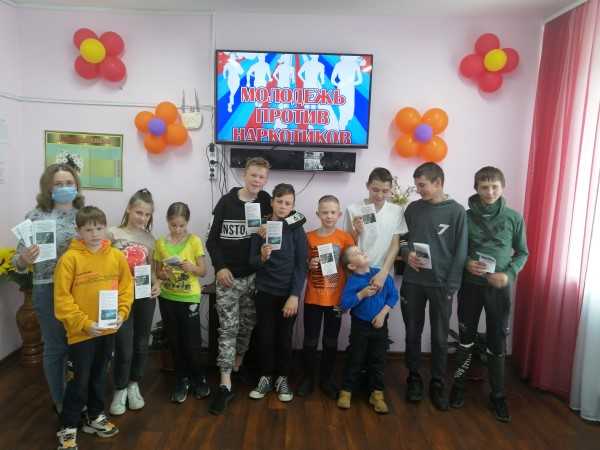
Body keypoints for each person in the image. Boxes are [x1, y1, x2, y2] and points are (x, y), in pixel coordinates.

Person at [449, 167, 528, 422]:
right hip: (471, 286)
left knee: (497, 342)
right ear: (476, 189)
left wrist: (509, 275)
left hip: (499, 289)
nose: (490, 192)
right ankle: (458, 387)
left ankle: (498, 396)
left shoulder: (514, 218)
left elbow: (523, 253)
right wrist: (466, 263)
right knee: (465, 338)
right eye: (484, 187)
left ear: (502, 187)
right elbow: (455, 249)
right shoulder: (464, 217)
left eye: (495, 187)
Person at [54, 206, 133, 450]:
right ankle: (68, 427)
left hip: (107, 331)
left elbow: (126, 288)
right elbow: (62, 300)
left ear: (105, 228)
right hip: (81, 334)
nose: (95, 234)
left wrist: (122, 313)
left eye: (99, 228)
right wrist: (85, 324)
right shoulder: (70, 259)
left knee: (99, 376)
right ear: (78, 231)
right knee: (79, 380)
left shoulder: (116, 256)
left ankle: (95, 415)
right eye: (88, 230)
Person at [12, 162, 84, 414]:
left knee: (81, 346)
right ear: (48, 188)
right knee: (55, 348)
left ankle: (81, 397)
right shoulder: (34, 216)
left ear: (76, 186)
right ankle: (61, 400)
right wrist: (24, 259)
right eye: (58, 184)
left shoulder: (84, 215)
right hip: (47, 288)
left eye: (69, 183)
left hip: (80, 288)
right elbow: (17, 261)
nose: (64, 187)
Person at [206, 157, 272, 415]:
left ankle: (236, 366)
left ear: (265, 180)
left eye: (262, 177)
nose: (257, 180)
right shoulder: (226, 201)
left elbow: (293, 218)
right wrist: (220, 267)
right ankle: (224, 383)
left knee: (247, 326)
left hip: (254, 278)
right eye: (253, 175)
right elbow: (212, 241)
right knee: (228, 328)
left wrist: (269, 229)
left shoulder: (266, 200)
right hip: (228, 277)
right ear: (244, 175)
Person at [400, 162, 468, 411]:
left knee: (439, 337)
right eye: (417, 185)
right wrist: (407, 254)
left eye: (422, 185)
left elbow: (461, 252)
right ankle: (414, 378)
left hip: (441, 286)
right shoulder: (413, 208)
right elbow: (402, 240)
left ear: (438, 183)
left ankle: (437, 382)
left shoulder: (457, 212)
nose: (418, 190)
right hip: (412, 283)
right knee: (412, 333)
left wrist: (451, 286)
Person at [248, 183, 308, 402]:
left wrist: (294, 295)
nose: (283, 206)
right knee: (265, 337)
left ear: (292, 206)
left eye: (288, 203)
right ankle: (265, 376)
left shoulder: (296, 228)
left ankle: (282, 378)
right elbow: (252, 262)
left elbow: (301, 265)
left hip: (288, 295)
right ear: (272, 202)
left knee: (284, 338)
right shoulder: (261, 228)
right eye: (280, 201)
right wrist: (262, 257)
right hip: (264, 291)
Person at [108, 189, 160, 416]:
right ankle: (119, 388)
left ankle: (133, 384)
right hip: (119, 297)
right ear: (129, 209)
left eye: (147, 215)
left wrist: (157, 283)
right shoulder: (112, 233)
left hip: (143, 296)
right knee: (123, 344)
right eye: (139, 212)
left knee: (141, 343)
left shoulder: (150, 239)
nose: (142, 218)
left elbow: (152, 270)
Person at [297, 195, 354, 399]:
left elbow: (351, 268)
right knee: (310, 340)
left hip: (336, 300)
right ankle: (308, 378)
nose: (329, 216)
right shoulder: (308, 237)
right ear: (318, 214)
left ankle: (327, 379)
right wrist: (309, 264)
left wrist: (349, 297)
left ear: (339, 214)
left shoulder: (345, 238)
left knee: (331, 341)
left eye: (332, 212)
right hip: (313, 298)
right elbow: (300, 265)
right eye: (325, 212)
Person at [155, 202, 210, 404]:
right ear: (167, 222)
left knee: (192, 342)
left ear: (187, 223)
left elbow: (203, 271)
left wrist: (191, 267)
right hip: (167, 298)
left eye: (181, 225)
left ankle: (199, 378)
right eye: (173, 225)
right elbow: (157, 272)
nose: (177, 229)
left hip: (189, 298)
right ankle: (181, 379)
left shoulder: (194, 241)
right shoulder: (160, 243)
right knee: (175, 341)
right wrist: (164, 273)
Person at [336, 245, 398, 414]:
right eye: (356, 253)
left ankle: (377, 394)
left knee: (378, 360)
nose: (362, 252)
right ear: (351, 266)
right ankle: (346, 391)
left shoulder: (381, 275)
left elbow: (393, 296)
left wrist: (382, 315)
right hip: (360, 326)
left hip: (380, 326)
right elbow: (344, 305)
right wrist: (361, 294)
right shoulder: (353, 281)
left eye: (360, 250)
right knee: (355, 358)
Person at [345, 167, 407, 290]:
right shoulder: (353, 209)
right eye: (375, 190)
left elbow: (395, 245)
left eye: (385, 191)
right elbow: (348, 246)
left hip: (384, 272)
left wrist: (384, 272)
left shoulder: (396, 211)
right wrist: (357, 232)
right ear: (367, 186)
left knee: (384, 301)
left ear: (391, 189)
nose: (379, 195)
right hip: (359, 273)